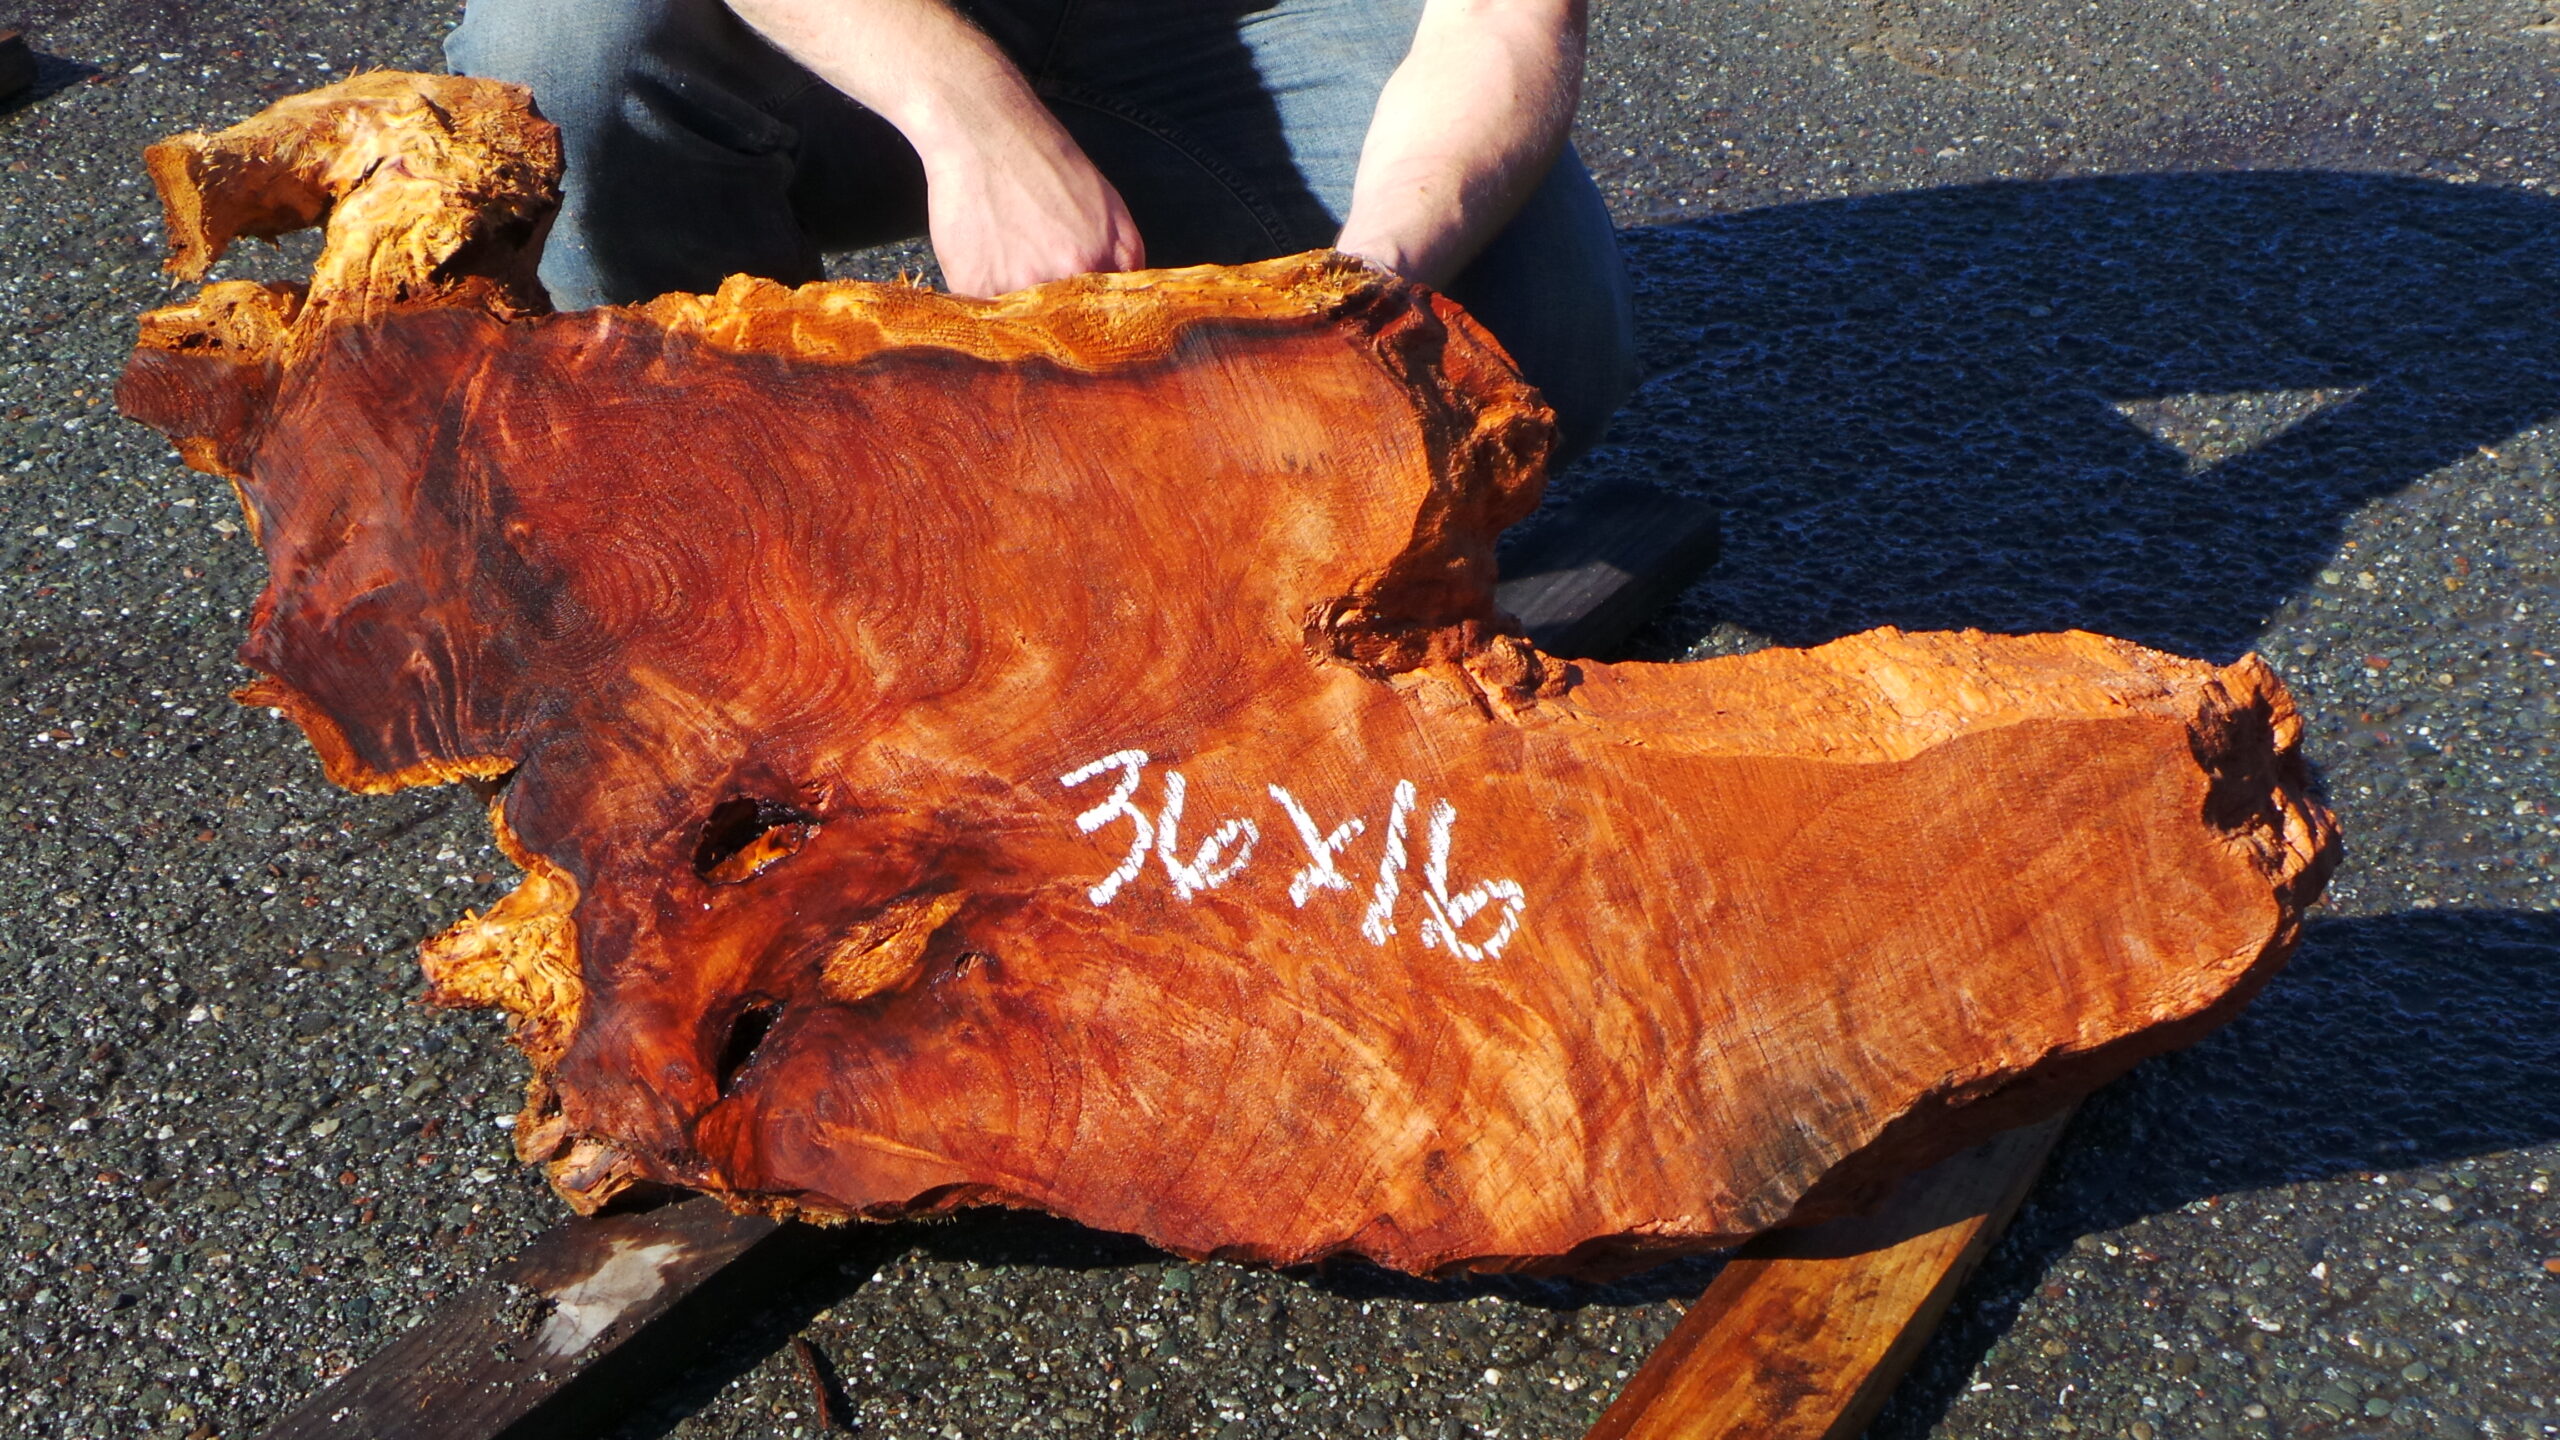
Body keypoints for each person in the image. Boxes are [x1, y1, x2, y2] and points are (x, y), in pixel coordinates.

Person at [447, 0, 1636, 460]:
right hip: (881, 30)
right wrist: (970, 118)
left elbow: (1503, 19)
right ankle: (751, 495)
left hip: (1245, 24)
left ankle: (1215, 568)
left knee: (1519, 343)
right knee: (569, 53)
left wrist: (1365, 290)